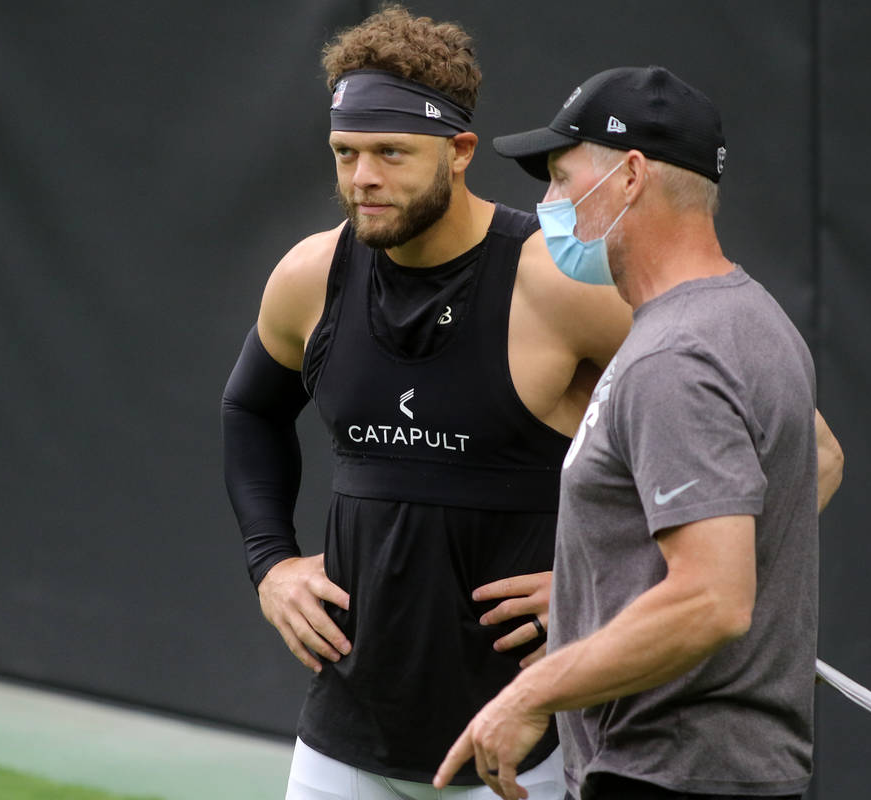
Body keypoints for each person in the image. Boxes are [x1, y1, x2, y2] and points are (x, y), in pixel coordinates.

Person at [221, 7, 633, 798]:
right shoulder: (312, 275)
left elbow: (759, 452)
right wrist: (270, 563)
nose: (361, 178)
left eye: (391, 153)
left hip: (521, 740)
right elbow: (248, 412)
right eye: (345, 153)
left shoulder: (558, 284)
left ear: (460, 151)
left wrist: (607, 582)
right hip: (344, 735)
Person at [434, 67, 825, 800]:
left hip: (670, 773)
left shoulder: (673, 357)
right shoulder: (752, 317)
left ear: (631, 176)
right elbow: (814, 466)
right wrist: (600, 587)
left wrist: (530, 694)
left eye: (559, 175)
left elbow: (713, 597)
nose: (546, 203)